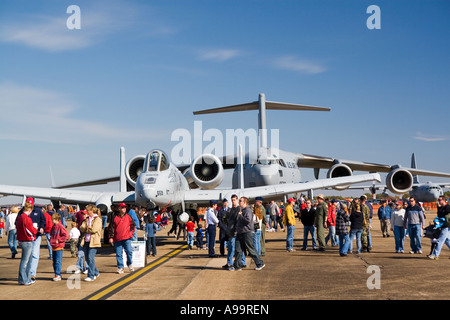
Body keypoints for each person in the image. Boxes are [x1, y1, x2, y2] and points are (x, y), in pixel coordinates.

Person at [233, 197, 265, 271]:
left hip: (247, 233)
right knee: (238, 249)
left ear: (245, 202)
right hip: (240, 232)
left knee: (250, 249)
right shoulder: (242, 210)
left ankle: (260, 263)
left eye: (240, 201)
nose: (239, 202)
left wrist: (240, 216)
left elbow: (248, 220)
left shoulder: (248, 210)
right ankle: (237, 265)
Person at [109, 202, 136, 273]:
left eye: (124, 207)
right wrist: (111, 237)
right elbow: (111, 228)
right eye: (122, 207)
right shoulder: (115, 217)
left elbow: (133, 225)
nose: (124, 209)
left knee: (129, 252)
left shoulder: (128, 216)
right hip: (117, 238)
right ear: (119, 208)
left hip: (127, 238)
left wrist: (130, 233)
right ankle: (120, 267)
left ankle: (130, 264)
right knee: (118, 253)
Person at [223, 194, 246, 271]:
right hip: (231, 231)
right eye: (232, 200)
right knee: (237, 248)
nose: (233, 201)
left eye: (234, 200)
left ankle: (230, 263)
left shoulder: (238, 209)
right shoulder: (232, 209)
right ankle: (242, 262)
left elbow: (237, 219)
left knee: (232, 248)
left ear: (237, 200)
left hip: (235, 231)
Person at [16, 201, 37, 285]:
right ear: (30, 210)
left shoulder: (20, 217)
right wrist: (35, 229)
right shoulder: (26, 218)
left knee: (27, 261)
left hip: (22, 240)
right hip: (27, 240)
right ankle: (23, 280)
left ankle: (27, 278)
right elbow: (30, 230)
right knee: (25, 261)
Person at [80, 204, 102, 281]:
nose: (86, 212)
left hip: (94, 241)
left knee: (90, 257)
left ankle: (91, 275)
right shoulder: (87, 219)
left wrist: (88, 228)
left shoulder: (97, 219)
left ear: (91, 210)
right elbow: (82, 228)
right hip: (86, 241)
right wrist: (87, 227)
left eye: (88, 210)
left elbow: (94, 229)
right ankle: (96, 272)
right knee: (88, 259)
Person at [49, 213, 69, 281]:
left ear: (57, 219)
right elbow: (51, 234)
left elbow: (66, 235)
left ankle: (57, 274)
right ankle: (57, 274)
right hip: (53, 246)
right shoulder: (53, 227)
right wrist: (51, 240)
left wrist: (59, 240)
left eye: (53, 220)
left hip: (59, 246)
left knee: (58, 261)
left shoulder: (60, 226)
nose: (52, 221)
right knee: (54, 261)